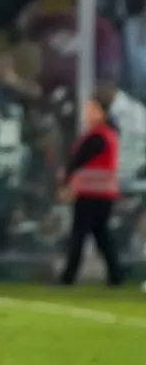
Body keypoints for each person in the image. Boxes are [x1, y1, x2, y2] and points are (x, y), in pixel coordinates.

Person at [59, 91, 124, 286]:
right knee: (101, 236)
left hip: (92, 194)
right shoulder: (106, 134)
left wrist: (65, 180)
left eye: (90, 109)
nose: (86, 113)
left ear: (101, 112)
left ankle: (68, 276)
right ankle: (116, 275)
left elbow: (77, 160)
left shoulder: (98, 136)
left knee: (79, 235)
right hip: (102, 194)